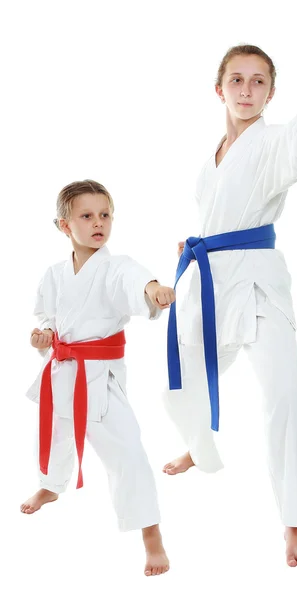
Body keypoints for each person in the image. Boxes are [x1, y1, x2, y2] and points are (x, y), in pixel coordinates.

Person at [163, 44, 297, 568]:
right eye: (236, 80)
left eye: (258, 82)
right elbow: (220, 215)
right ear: (219, 89)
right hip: (210, 280)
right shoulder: (211, 157)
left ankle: (294, 522)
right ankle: (199, 445)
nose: (246, 90)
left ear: (270, 92)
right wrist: (196, 243)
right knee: (182, 377)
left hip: (259, 290)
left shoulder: (272, 142)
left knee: (284, 396)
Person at [21, 179, 174, 577]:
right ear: (64, 226)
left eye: (105, 214)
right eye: (86, 216)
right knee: (56, 435)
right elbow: (47, 323)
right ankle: (52, 485)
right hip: (61, 371)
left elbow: (134, 279)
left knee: (128, 453)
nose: (98, 223)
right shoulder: (54, 275)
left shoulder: (115, 266)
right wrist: (43, 337)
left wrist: (153, 289)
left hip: (99, 377)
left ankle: (151, 534)